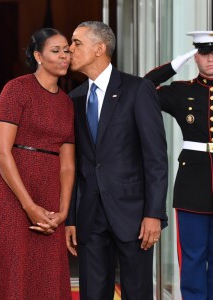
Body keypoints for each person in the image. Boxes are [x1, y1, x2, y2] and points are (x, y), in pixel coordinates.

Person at [0, 28, 75, 300]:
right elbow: (0, 151)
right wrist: (29, 205)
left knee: (43, 268)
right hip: (8, 190)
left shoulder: (68, 104)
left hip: (49, 192)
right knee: (5, 266)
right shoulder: (16, 89)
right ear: (38, 56)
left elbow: (68, 164)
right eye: (56, 51)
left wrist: (64, 210)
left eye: (67, 50)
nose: (64, 56)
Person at [65, 21, 169, 300]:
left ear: (100, 49)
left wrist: (154, 214)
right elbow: (75, 165)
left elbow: (156, 158)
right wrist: (71, 219)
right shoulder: (74, 98)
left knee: (137, 293)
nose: (69, 49)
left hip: (135, 218)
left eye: (77, 43)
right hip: (90, 217)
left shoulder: (138, 89)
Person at [144, 31, 213, 300]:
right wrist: (173, 66)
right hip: (192, 184)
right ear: (196, 56)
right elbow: (143, 88)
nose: (210, 60)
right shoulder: (182, 91)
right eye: (204, 53)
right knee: (194, 255)